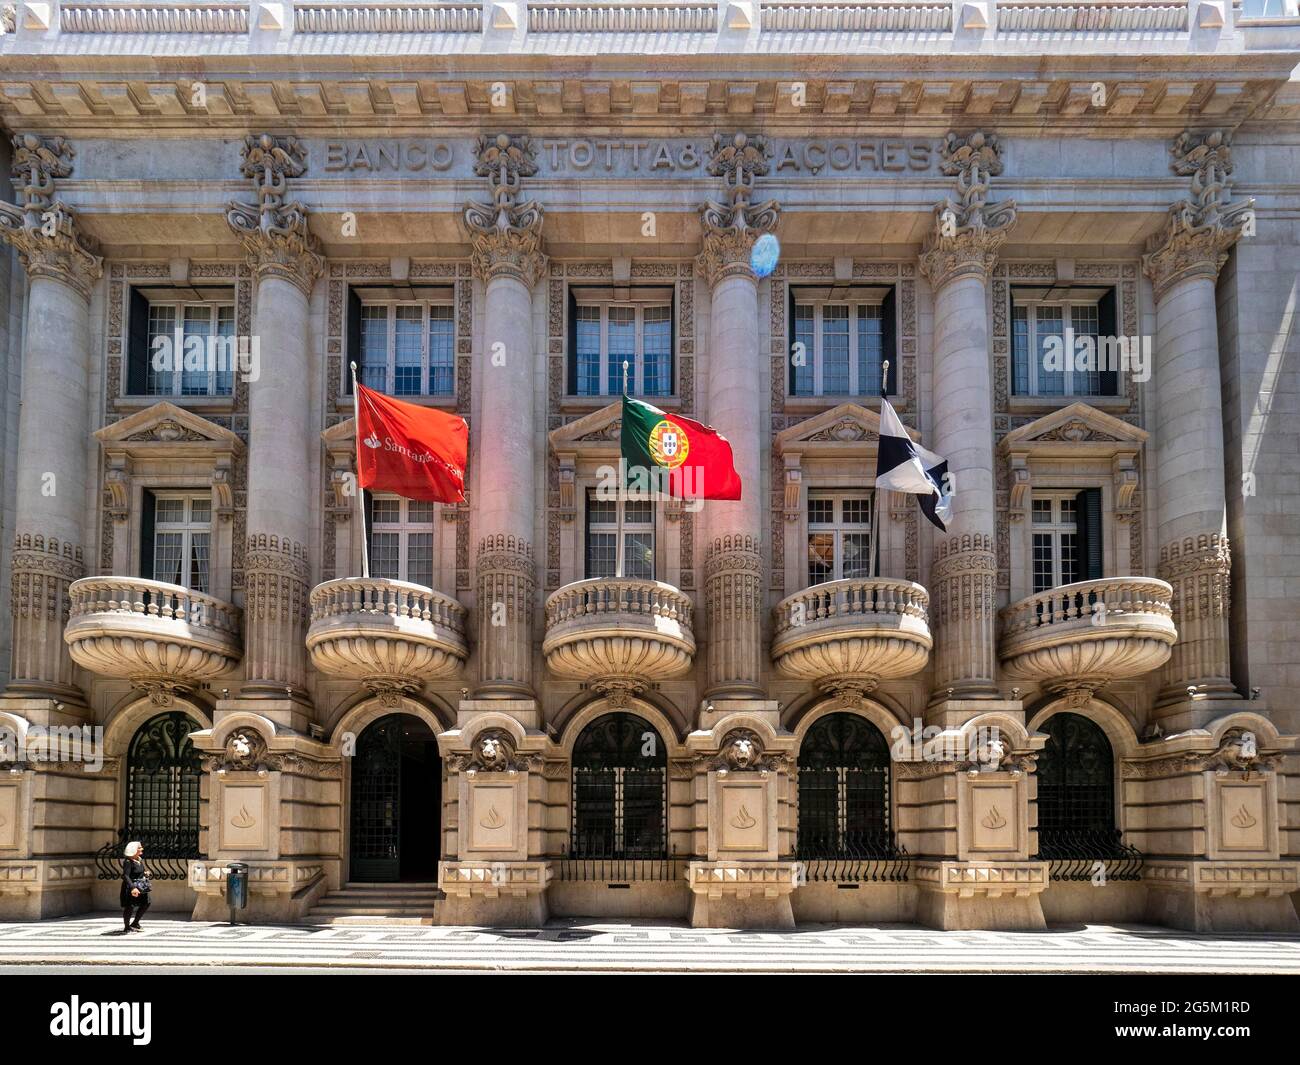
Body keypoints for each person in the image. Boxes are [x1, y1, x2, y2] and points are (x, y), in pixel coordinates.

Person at [120, 840, 151, 933]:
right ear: (133, 850)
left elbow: (142, 871)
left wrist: (146, 873)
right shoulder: (128, 862)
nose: (142, 849)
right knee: (130, 907)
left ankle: (135, 923)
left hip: (141, 887)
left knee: (146, 903)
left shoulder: (139, 859)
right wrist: (133, 888)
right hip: (131, 887)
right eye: (139, 848)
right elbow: (125, 876)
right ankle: (126, 927)